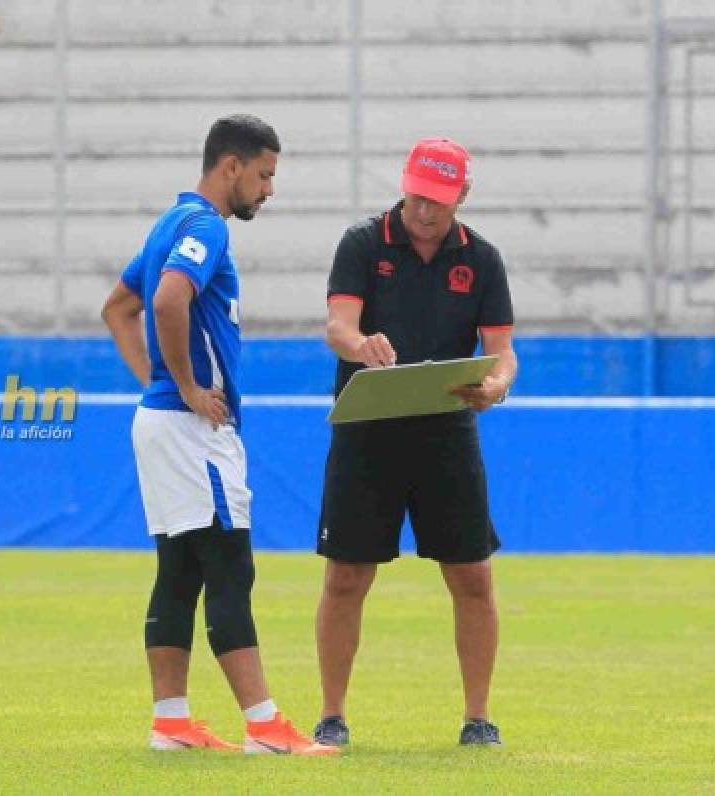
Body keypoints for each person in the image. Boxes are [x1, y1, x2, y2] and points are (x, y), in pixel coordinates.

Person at [101, 115, 337, 756]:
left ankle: (171, 722)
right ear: (230, 166)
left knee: (179, 571)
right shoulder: (204, 227)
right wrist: (182, 384)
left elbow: (118, 308)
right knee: (230, 567)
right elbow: (170, 298)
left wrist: (157, 383)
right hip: (191, 429)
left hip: (162, 423)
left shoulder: (167, 224)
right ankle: (264, 727)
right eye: (264, 175)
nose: (268, 190)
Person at [312, 137, 517, 747]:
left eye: (439, 200)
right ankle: (332, 714)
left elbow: (502, 352)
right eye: (417, 195)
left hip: (447, 427)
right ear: (405, 184)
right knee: (347, 574)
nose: (424, 211)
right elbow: (338, 327)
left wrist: (497, 385)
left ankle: (478, 717)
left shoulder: (482, 260)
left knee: (472, 576)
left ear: (462, 197)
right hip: (367, 424)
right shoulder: (362, 244)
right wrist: (361, 346)